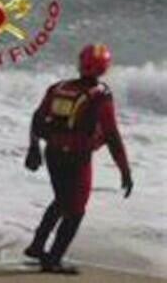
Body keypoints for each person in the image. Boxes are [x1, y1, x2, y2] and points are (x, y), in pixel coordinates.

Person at [23, 43, 133, 274]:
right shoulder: (100, 95)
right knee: (76, 211)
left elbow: (37, 118)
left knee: (62, 200)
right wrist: (125, 170)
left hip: (52, 154)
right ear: (104, 69)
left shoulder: (58, 87)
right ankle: (53, 259)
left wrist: (33, 148)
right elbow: (112, 135)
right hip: (77, 158)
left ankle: (36, 246)